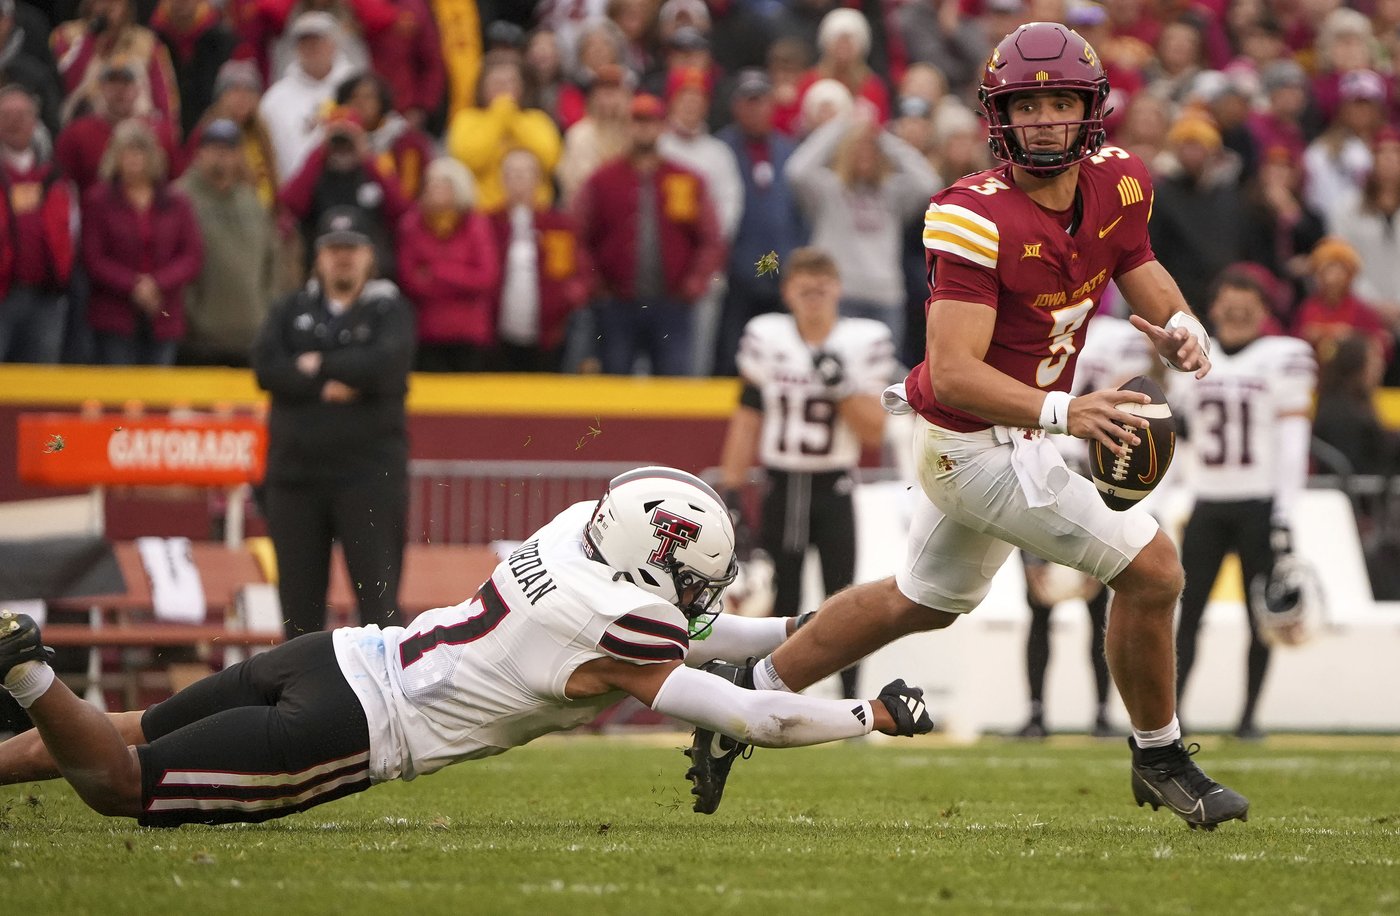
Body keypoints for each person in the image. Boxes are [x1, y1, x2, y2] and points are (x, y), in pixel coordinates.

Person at [683, 22, 1251, 831]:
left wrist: (1180, 322)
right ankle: (1160, 757)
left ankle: (744, 695)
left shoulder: (1120, 180)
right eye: (1028, 106)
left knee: (919, 600)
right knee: (1154, 570)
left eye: (1061, 103)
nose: (1046, 121)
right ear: (999, 116)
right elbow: (953, 372)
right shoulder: (973, 216)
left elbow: (1134, 258)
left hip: (1012, 435)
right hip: (974, 444)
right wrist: (1066, 411)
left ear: (1091, 110)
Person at [0, 467, 935, 826]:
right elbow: (755, 715)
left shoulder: (571, 536)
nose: (696, 600)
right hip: (352, 728)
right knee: (118, 783)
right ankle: (30, 669)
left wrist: (791, 631)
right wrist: (870, 716)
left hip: (334, 655)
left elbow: (690, 634)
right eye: (691, 580)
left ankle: (24, 694)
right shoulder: (624, 629)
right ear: (651, 564)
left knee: (125, 728)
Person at [718, 247, 895, 700]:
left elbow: (874, 431)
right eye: (804, 289)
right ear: (787, 292)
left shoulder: (863, 340)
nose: (814, 297)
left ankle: (851, 701)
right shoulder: (767, 335)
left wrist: (841, 386)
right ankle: (772, 699)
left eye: (822, 288)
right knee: (781, 601)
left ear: (837, 290)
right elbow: (748, 416)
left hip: (834, 483)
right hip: (781, 483)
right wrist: (731, 490)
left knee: (845, 600)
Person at [252, 206, 415, 641]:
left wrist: (317, 364)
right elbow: (267, 369)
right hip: (296, 477)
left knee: (380, 610)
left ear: (369, 256)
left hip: (368, 478)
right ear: (318, 257)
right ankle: (303, 687)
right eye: (333, 248)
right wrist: (337, 381)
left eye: (352, 248)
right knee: (298, 615)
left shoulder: (389, 310)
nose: (342, 257)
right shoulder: (290, 309)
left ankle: (386, 687)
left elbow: (385, 366)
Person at [1171, 269, 1316, 741]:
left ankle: (1249, 717)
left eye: (1246, 305)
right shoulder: (1193, 355)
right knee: (1187, 614)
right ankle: (1172, 718)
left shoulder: (1283, 356)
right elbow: (1177, 437)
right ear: (1212, 309)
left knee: (1263, 618)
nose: (1235, 313)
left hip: (1259, 504)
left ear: (1264, 310)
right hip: (1206, 503)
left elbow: (1293, 443)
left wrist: (1284, 513)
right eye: (1228, 304)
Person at [1014, 313, 1155, 740]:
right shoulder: (1033, 324)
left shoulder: (1114, 338)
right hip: (1039, 480)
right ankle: (1038, 713)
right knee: (1040, 606)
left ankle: (1101, 712)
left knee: (1100, 611)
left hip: (1092, 482)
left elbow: (1134, 412)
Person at [573, 93, 725, 376]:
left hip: (673, 305)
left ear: (662, 127)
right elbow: (578, 237)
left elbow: (711, 239)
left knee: (673, 386)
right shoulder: (602, 180)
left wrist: (695, 283)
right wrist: (594, 284)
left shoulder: (686, 179)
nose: (644, 129)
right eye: (637, 121)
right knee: (615, 385)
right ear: (627, 127)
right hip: (616, 305)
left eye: (651, 122)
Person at [81, 118, 203, 366]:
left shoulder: (176, 201)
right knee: (117, 384)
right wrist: (134, 285)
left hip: (164, 310)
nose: (134, 160)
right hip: (114, 313)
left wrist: (157, 283)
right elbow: (93, 258)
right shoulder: (98, 201)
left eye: (140, 152)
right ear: (115, 157)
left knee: (159, 385)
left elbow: (192, 254)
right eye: (126, 153)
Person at [175, 118, 278, 367]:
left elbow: (273, 262)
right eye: (214, 148)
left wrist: (266, 312)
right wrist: (193, 316)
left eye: (230, 149)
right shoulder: (180, 198)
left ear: (239, 156)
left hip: (252, 337)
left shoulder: (251, 201)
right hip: (198, 342)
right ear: (199, 153)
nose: (222, 155)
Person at [489, 148, 591, 372]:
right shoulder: (489, 223)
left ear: (538, 180)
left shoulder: (559, 225)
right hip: (497, 334)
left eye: (525, 174)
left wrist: (568, 298)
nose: (519, 181)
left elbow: (580, 272)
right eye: (512, 174)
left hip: (550, 334)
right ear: (502, 180)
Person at [395, 157, 500, 372]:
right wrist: (461, 279)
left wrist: (437, 271)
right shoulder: (412, 224)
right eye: (431, 184)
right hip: (427, 331)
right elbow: (410, 281)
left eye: (443, 184)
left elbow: (485, 279)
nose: (436, 190)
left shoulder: (476, 225)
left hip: (470, 333)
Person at [0, 85, 76, 365]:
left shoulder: (55, 175)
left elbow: (72, 231)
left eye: (21, 115)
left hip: (46, 298)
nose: (14, 122)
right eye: (6, 115)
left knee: (41, 378)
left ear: (35, 122)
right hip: (4, 295)